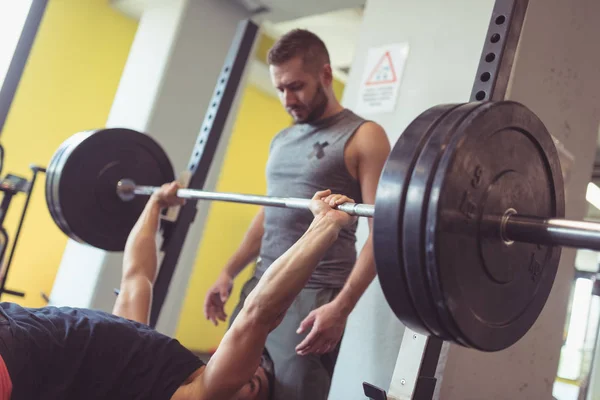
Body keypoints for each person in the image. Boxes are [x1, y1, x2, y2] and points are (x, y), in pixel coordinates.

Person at [0, 182, 357, 400]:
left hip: (16, 363)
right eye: (253, 376)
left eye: (247, 386)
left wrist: (324, 227)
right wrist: (154, 205)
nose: (248, 374)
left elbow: (258, 314)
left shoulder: (194, 394)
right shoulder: (132, 358)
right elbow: (136, 277)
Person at [204, 29, 391, 400]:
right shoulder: (283, 139)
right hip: (261, 280)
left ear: (325, 75)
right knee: (223, 389)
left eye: (296, 86)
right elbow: (269, 212)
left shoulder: (363, 136)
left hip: (315, 292)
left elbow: (381, 231)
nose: (288, 99)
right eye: (280, 89)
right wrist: (230, 270)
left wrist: (340, 307)